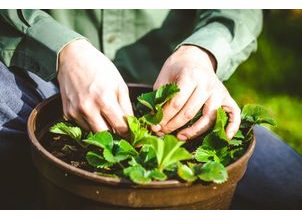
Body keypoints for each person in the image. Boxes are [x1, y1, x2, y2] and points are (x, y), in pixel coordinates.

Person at [0, 9, 301, 209]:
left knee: (290, 188)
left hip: (171, 100)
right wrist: (64, 50)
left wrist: (203, 52)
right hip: (48, 80)